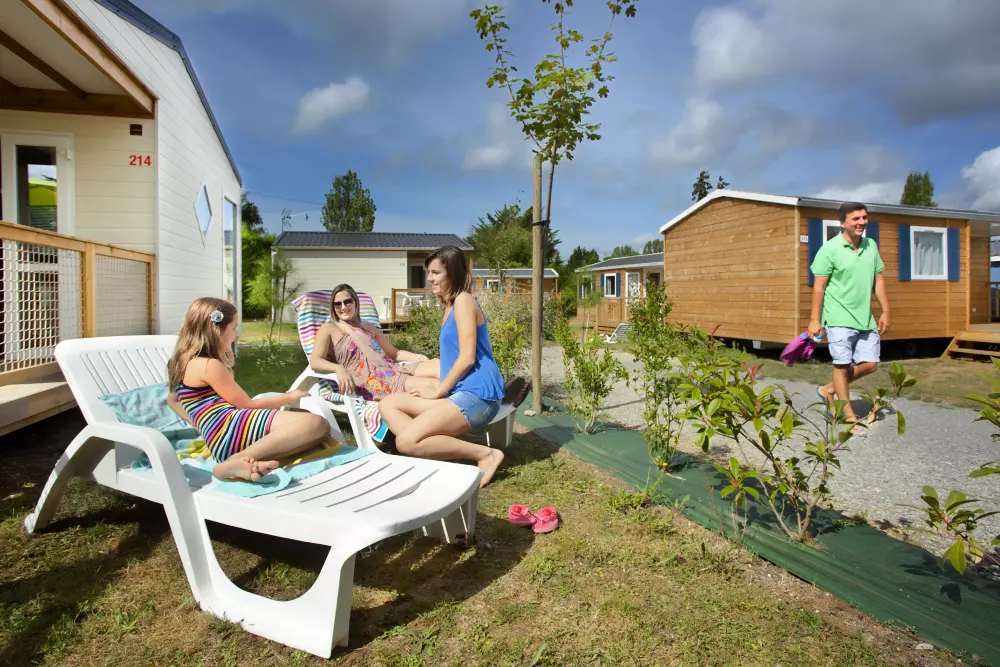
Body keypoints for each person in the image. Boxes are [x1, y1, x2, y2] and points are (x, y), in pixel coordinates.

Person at [378, 246, 506, 488]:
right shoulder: (450, 306)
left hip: (478, 396)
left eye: (436, 273)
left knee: (405, 442)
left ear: (453, 273)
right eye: (429, 272)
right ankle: (431, 449)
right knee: (389, 403)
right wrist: (431, 378)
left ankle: (486, 454)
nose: (430, 278)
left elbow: (467, 358)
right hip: (460, 392)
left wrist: (438, 390)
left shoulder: (464, 300)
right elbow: (450, 359)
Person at [167, 297, 331, 481]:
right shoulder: (209, 365)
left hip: (219, 440)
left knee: (322, 433)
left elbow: (173, 401)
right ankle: (235, 460)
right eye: (233, 328)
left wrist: (204, 425)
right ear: (216, 330)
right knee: (316, 423)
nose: (236, 335)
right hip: (230, 427)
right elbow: (247, 405)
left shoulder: (180, 363)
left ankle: (249, 463)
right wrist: (289, 397)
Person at [808, 202, 892, 427]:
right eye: (856, 218)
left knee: (871, 364)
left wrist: (886, 310)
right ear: (842, 223)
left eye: (864, 217)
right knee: (841, 366)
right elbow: (819, 287)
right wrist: (815, 320)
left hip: (865, 317)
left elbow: (878, 281)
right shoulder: (829, 249)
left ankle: (828, 390)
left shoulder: (871, 246)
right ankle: (848, 416)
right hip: (838, 316)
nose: (862, 222)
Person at [310, 283, 440, 400]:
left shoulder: (368, 327)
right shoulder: (329, 328)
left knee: (438, 365)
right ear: (333, 308)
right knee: (433, 384)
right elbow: (315, 361)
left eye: (347, 302)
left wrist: (419, 357)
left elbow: (395, 353)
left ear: (355, 302)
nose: (343, 307)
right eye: (337, 304)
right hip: (371, 380)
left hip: (390, 367)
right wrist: (338, 368)